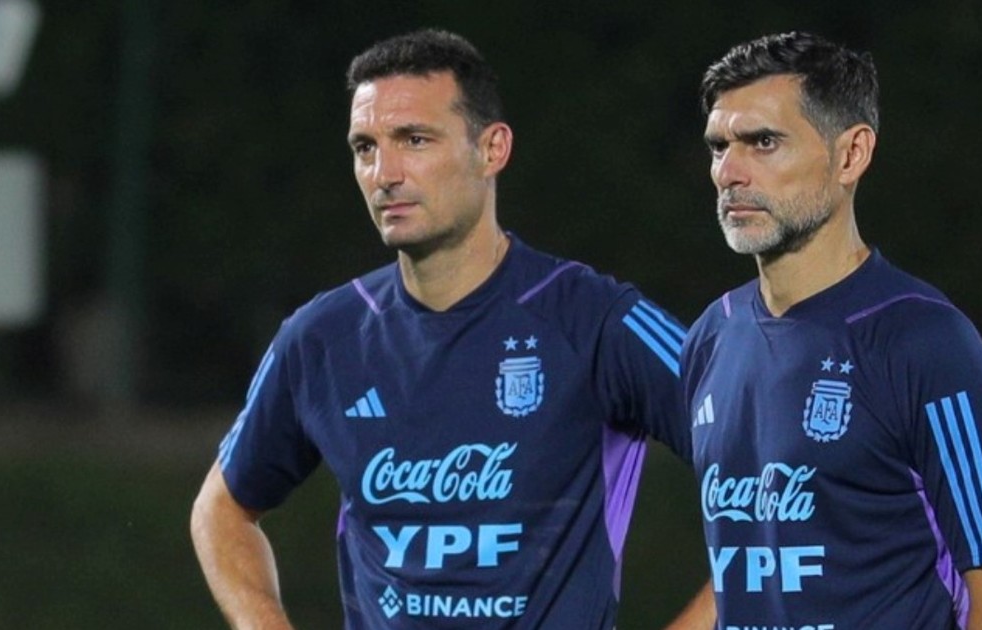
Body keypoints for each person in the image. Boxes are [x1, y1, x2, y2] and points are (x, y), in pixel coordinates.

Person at [190, 29, 702, 629]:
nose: (384, 173)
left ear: (492, 149)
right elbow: (222, 509)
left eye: (414, 139)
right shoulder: (322, 337)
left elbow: (775, 468)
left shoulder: (597, 321)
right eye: (365, 147)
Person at [681, 31, 982, 629]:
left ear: (851, 155)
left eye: (764, 142)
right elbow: (749, 566)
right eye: (719, 146)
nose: (729, 172)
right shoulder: (713, 338)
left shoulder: (926, 345)